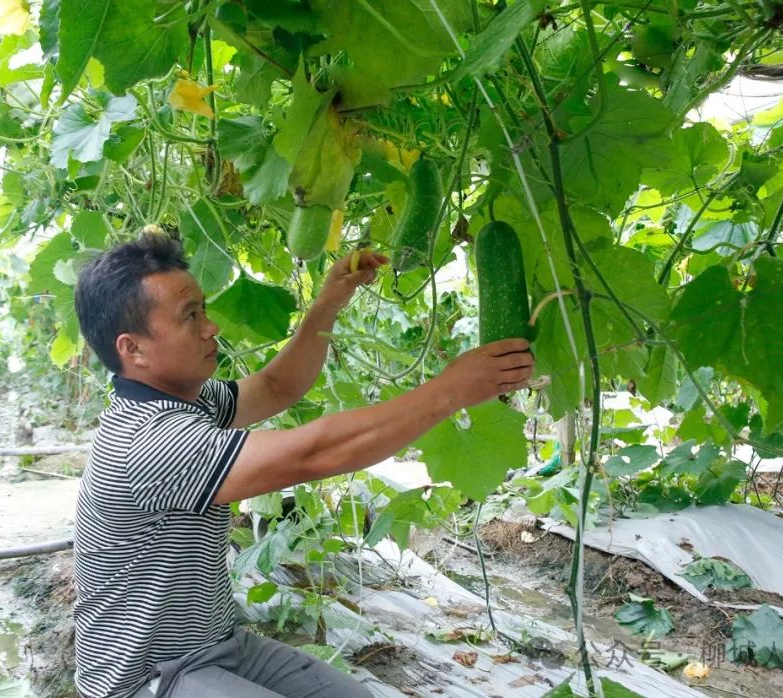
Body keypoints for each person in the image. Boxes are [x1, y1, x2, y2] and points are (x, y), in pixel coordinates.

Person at [71, 233, 535, 698]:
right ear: (133, 349)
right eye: (190, 316)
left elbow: (276, 387)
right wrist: (450, 391)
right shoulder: (147, 443)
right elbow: (314, 452)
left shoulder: (187, 401)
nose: (211, 327)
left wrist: (329, 301)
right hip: (143, 679)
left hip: (216, 644)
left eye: (203, 309)